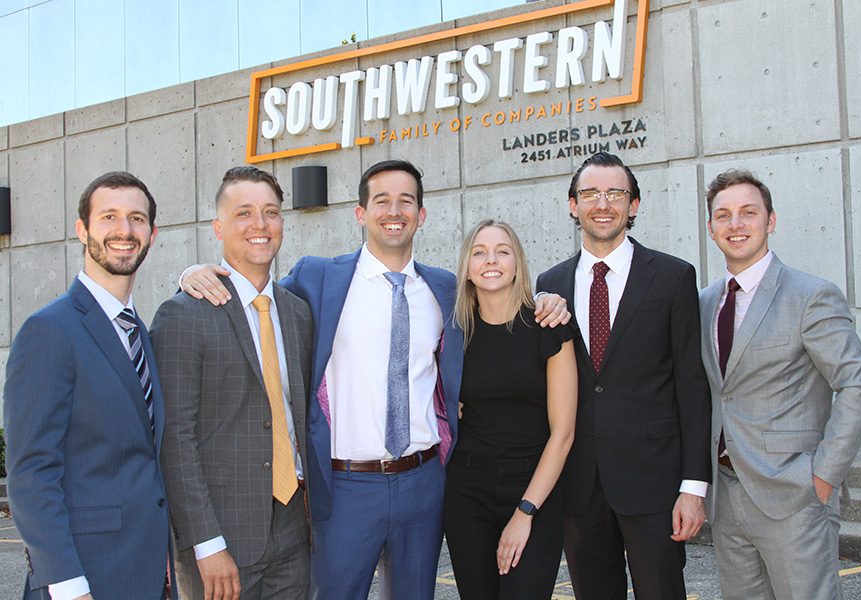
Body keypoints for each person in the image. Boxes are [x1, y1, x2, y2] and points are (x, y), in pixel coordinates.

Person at [178, 160, 570, 599]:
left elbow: (501, 311)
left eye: (406, 201)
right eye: (381, 200)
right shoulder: (319, 277)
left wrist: (548, 300)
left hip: (424, 483)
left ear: (422, 215)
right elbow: (257, 293)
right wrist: (194, 275)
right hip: (347, 487)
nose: (394, 210)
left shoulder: (444, 290)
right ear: (360, 213)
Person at [536, 151, 712, 599]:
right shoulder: (549, 284)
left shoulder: (673, 277)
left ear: (634, 205)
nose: (603, 203)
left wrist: (693, 487)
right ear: (572, 205)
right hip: (578, 485)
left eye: (615, 193)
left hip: (655, 485)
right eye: (590, 193)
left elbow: (692, 385)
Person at [700, 169, 861, 600]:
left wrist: (822, 476)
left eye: (748, 212)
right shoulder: (704, 303)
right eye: (723, 216)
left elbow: (859, 385)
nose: (736, 224)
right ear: (711, 228)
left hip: (794, 495)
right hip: (726, 498)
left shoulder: (810, 295)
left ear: (771, 220)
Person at [4, 172, 174, 600]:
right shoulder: (50, 330)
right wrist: (65, 583)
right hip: (82, 580)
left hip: (146, 572)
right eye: (109, 217)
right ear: (82, 229)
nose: (124, 230)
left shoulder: (138, 331)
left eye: (137, 219)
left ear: (152, 234)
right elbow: (30, 473)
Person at [151, 167, 313, 600]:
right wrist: (205, 543)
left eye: (271, 212)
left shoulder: (297, 312)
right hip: (222, 538)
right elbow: (175, 439)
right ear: (219, 227)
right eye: (244, 213)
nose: (259, 224)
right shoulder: (184, 314)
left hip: (295, 528)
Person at [443, 220, 577, 599]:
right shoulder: (454, 333)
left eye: (503, 251)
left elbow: (563, 434)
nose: (491, 260)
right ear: (467, 268)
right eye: (479, 252)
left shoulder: (549, 325)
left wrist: (525, 512)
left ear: (517, 263)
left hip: (534, 487)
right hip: (467, 493)